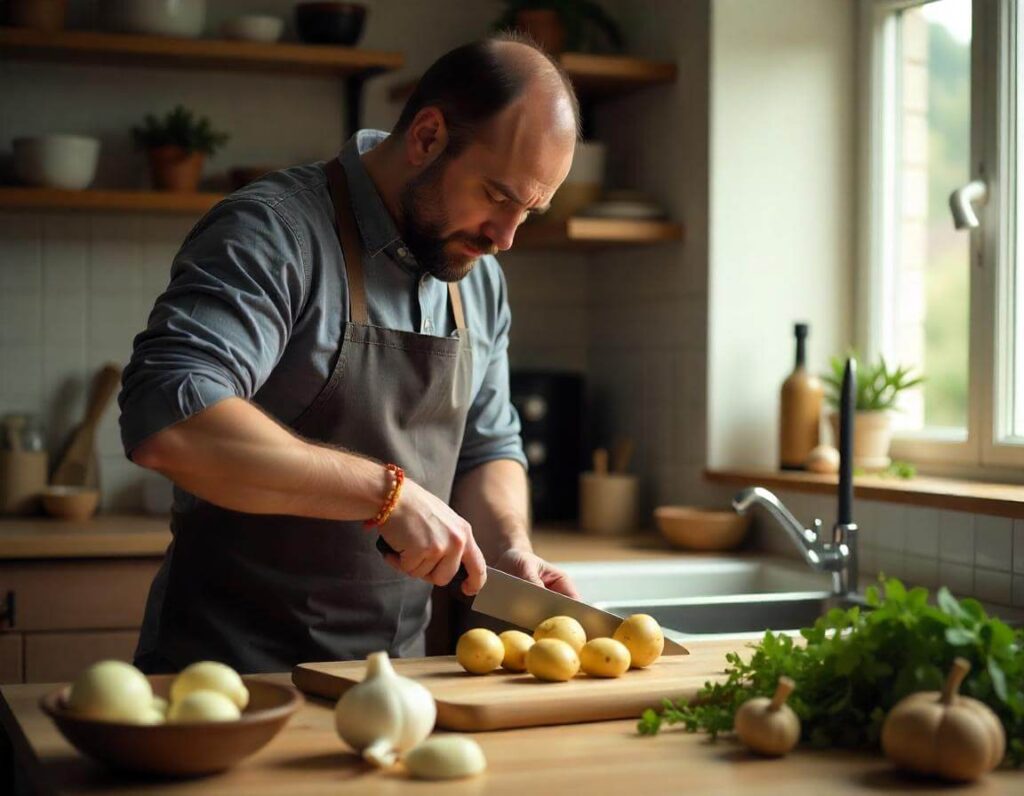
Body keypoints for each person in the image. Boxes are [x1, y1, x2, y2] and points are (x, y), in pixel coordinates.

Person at [118, 34, 582, 674]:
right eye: (499, 196)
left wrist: (510, 549)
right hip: (226, 674)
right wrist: (388, 495)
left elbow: (487, 447)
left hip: (393, 681)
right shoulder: (275, 231)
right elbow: (170, 418)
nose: (505, 238)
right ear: (426, 136)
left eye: (530, 211)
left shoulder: (476, 275)